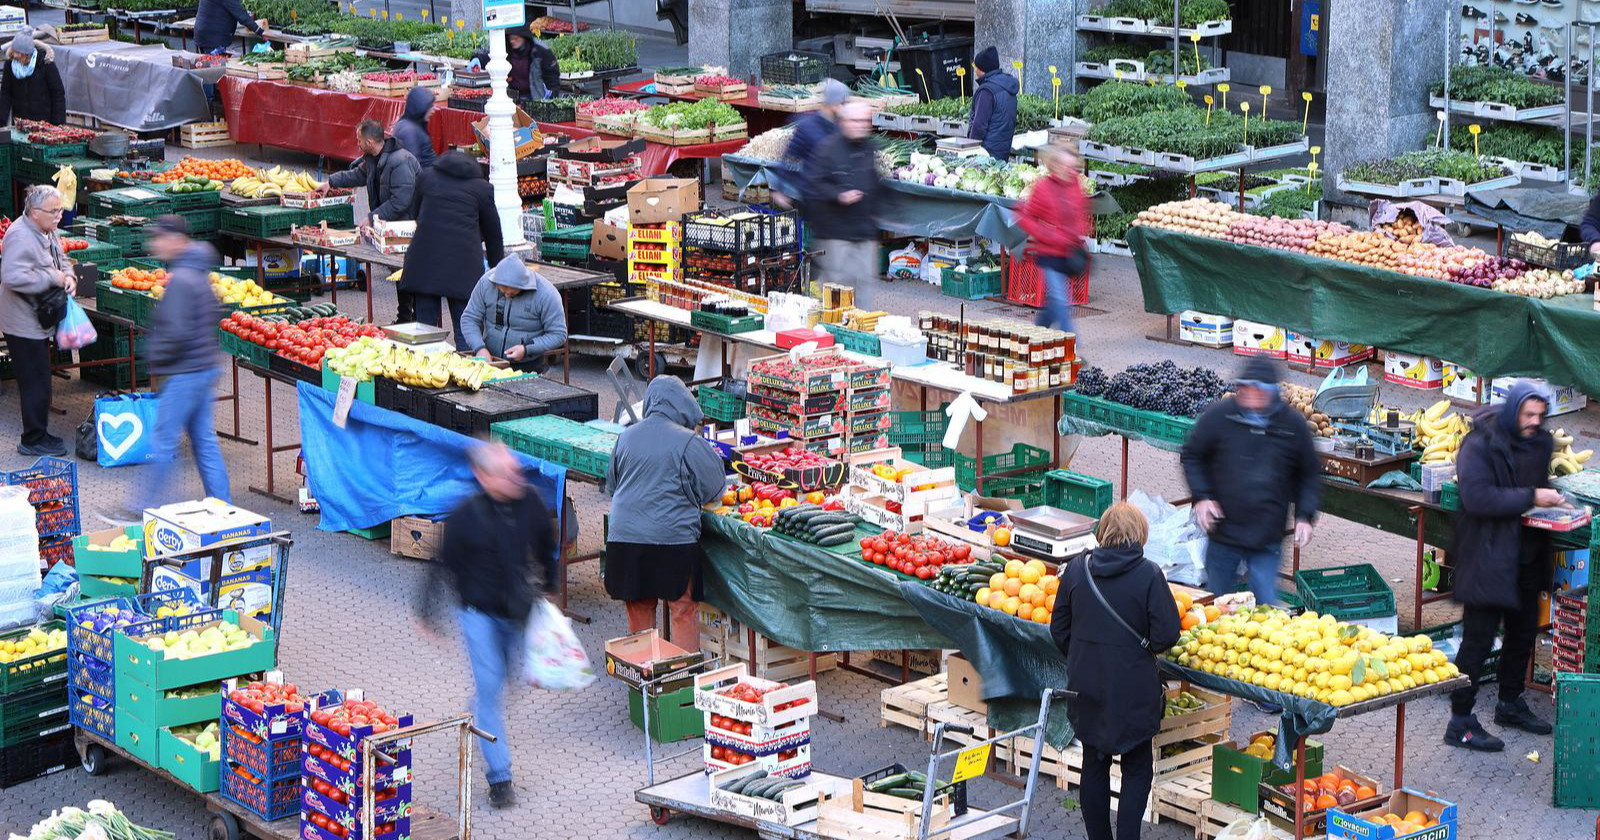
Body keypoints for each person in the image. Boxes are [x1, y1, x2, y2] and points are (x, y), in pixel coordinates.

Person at [415, 440, 558, 809]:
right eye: (504, 473)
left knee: (506, 682)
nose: (514, 478)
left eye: (514, 470)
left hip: (517, 612)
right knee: (491, 686)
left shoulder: (530, 504)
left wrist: (550, 586)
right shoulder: (465, 515)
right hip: (476, 613)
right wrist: (427, 612)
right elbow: (441, 564)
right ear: (482, 476)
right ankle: (500, 779)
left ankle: (481, 708)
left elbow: (545, 545)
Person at [1445, 380, 1570, 751]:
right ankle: (1460, 722)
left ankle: (1510, 702)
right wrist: (1532, 496)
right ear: (1513, 409)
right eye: (1527, 414)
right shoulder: (1479, 444)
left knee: (1523, 632)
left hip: (1527, 556)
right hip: (1487, 558)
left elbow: (1534, 488)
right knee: (1478, 642)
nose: (1534, 421)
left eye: (1540, 415)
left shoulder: (1540, 443)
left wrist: (1558, 505)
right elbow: (1478, 497)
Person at [1051, 503, 1181, 840]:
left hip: (1086, 685)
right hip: (1133, 691)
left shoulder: (1077, 570)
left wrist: (1086, 656)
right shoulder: (1150, 575)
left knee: (1094, 762)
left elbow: (1058, 629)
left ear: (1102, 533)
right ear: (1140, 535)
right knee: (1137, 768)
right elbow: (1166, 635)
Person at [1180, 357, 1321, 605]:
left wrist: (1304, 516)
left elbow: (1308, 473)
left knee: (1263, 608)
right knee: (1218, 606)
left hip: (1266, 535)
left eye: (1256, 391)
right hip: (1224, 532)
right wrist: (1202, 497)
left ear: (1270, 393)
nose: (1249, 396)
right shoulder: (1221, 416)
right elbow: (1192, 455)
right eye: (1244, 389)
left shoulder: (1292, 425)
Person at [604, 376, 726, 646]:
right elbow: (716, 490)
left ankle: (643, 681)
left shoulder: (625, 437)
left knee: (639, 606)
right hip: (673, 542)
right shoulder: (689, 442)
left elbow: (612, 484)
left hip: (625, 541)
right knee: (683, 610)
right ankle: (680, 682)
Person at [126, 216, 230, 511]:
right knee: (204, 444)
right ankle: (225, 508)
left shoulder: (182, 279)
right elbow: (212, 312)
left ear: (176, 240)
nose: (154, 244)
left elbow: (176, 331)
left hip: (185, 371)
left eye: (159, 238)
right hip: (203, 367)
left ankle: (141, 509)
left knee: (164, 440)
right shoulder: (196, 272)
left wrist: (157, 359)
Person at [0, 185, 74, 457]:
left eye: (60, 209)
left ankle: (40, 432)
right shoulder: (20, 235)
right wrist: (53, 279)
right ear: (33, 212)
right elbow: (12, 277)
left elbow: (61, 258)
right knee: (35, 381)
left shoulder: (47, 229)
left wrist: (70, 277)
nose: (59, 215)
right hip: (22, 321)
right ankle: (32, 439)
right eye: (53, 211)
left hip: (38, 318)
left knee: (41, 379)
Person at [402, 150, 503, 346]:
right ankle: (466, 371)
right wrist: (497, 270)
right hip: (462, 266)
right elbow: (494, 235)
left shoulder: (426, 177)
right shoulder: (482, 188)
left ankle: (425, 373)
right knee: (465, 327)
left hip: (425, 260)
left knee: (425, 329)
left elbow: (414, 212)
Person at [807, 101, 891, 310]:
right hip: (835, 236)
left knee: (864, 287)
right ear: (843, 122)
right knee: (835, 293)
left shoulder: (869, 148)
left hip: (864, 235)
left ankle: (860, 333)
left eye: (865, 121)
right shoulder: (827, 149)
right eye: (855, 121)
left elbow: (875, 183)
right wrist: (839, 195)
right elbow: (813, 184)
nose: (861, 125)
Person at [1015, 140, 1090, 334]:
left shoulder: (1075, 185)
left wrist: (1079, 233)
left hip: (1069, 253)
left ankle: (1038, 331)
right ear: (1054, 165)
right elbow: (1025, 217)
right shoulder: (1042, 188)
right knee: (1062, 301)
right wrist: (1047, 234)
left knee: (1055, 303)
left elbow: (1080, 212)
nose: (1069, 171)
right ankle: (1071, 348)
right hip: (1048, 253)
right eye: (1065, 166)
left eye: (1072, 166)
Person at [459, 256, 567, 372]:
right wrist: (479, 348)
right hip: (490, 361)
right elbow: (469, 318)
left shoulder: (547, 294)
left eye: (512, 293)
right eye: (503, 291)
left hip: (528, 365)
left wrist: (526, 349)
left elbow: (558, 334)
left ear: (523, 286)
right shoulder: (486, 283)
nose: (506, 296)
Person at [325, 120, 420, 227]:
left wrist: (372, 218)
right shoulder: (372, 158)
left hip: (406, 226)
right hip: (387, 223)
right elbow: (357, 175)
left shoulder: (401, 162)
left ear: (369, 142)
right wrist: (331, 181)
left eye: (359, 140)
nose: (358, 144)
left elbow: (400, 202)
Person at [774, 78, 848, 208]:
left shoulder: (839, 127)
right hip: (813, 197)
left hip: (834, 196)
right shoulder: (807, 127)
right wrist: (780, 190)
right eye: (843, 103)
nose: (844, 108)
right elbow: (788, 158)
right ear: (833, 103)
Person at [470, 26, 560, 101]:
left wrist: (551, 94)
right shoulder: (506, 48)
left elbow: (552, 76)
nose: (513, 41)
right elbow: (489, 56)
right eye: (511, 38)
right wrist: (477, 59)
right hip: (512, 97)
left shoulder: (540, 51)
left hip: (535, 98)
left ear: (524, 37)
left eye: (516, 38)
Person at [0, 30, 64, 126]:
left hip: (44, 123)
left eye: (18, 52)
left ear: (27, 54)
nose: (15, 55)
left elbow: (57, 93)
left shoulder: (45, 63)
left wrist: (58, 123)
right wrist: (1, 122)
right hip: (20, 124)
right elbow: (5, 94)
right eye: (14, 51)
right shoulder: (10, 65)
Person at [967, 46, 1018, 160]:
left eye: (976, 67)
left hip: (986, 152)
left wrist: (970, 149)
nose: (975, 70)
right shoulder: (1008, 86)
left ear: (983, 69)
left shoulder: (987, 91)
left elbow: (979, 126)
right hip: (1003, 149)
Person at [193, 0, 267, 55]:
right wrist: (260, 31)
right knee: (215, 68)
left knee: (207, 66)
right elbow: (241, 14)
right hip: (213, 38)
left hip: (203, 35)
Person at [392, 86, 438, 170]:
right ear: (420, 107)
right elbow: (413, 169)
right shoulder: (408, 131)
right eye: (430, 107)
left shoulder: (414, 123)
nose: (433, 110)